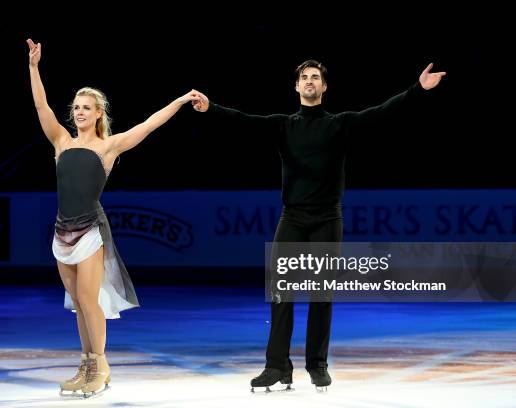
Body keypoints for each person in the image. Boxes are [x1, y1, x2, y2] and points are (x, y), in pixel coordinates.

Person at [190, 59, 446, 392]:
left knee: (321, 294)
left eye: (315, 77)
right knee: (281, 293)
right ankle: (276, 365)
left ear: (324, 87)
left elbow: (381, 112)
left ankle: (317, 365)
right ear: (296, 87)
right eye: (304, 77)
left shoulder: (339, 124)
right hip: (292, 217)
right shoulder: (284, 125)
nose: (309, 81)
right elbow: (244, 122)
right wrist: (211, 108)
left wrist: (416, 90)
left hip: (327, 218)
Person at [27, 39, 201, 398]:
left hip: (90, 231)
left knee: (90, 301)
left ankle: (101, 366)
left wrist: (181, 101)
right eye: (76, 107)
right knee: (77, 302)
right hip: (62, 234)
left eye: (86, 108)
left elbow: (150, 124)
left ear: (98, 113)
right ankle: (86, 364)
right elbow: (41, 106)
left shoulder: (107, 147)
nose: (79, 112)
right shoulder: (61, 142)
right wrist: (33, 68)